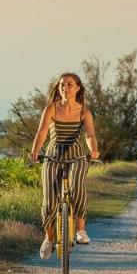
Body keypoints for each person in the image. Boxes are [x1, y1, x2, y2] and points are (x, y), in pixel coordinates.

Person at [30, 72, 100, 260]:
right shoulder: (51, 109)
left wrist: (93, 150)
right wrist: (35, 151)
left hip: (77, 156)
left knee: (77, 186)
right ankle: (48, 238)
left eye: (69, 85)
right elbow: (42, 132)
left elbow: (90, 134)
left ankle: (80, 230)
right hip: (53, 156)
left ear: (77, 88)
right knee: (49, 198)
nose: (65, 88)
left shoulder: (84, 111)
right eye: (62, 85)